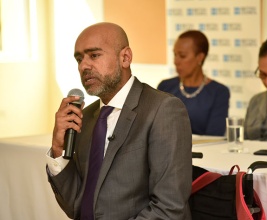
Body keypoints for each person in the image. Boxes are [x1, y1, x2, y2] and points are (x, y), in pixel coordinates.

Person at [46, 22, 193, 219]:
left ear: (125, 57)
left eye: (94, 55)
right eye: (79, 59)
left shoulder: (162, 109)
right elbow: (76, 207)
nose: (84, 66)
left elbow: (169, 207)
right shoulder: (85, 118)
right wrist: (57, 149)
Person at [158, 30, 230, 136]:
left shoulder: (218, 92)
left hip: (204, 151)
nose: (176, 61)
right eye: (175, 54)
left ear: (199, 57)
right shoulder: (165, 87)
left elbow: (214, 136)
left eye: (182, 56)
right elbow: (155, 128)